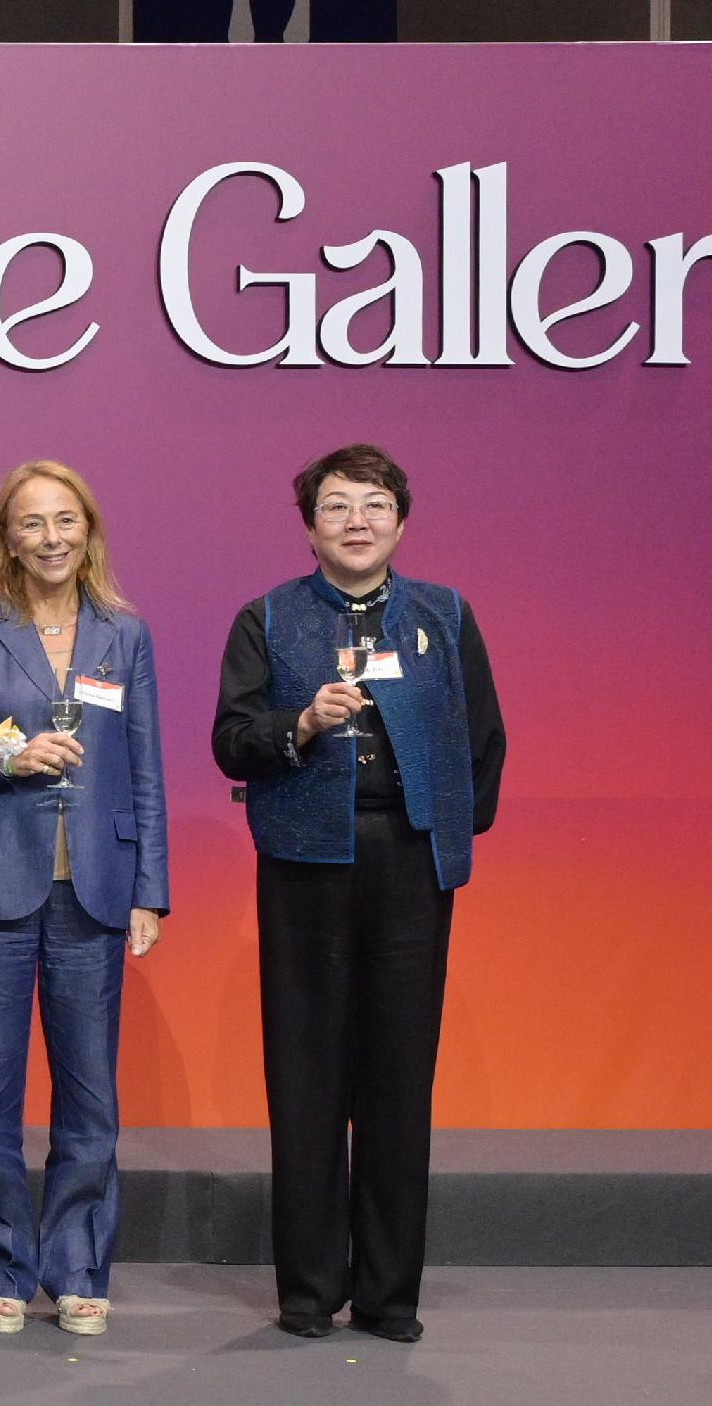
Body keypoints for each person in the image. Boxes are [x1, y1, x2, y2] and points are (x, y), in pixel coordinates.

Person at [213, 443, 503, 1345]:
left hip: (410, 863)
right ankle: (308, 1288)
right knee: (304, 1074)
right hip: (305, 863)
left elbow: (484, 741)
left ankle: (388, 1294)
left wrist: (444, 826)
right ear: (308, 527)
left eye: (374, 505)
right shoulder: (266, 617)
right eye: (336, 506)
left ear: (401, 521)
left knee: (397, 1076)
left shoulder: (444, 615)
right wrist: (298, 725)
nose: (357, 522)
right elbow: (231, 740)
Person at [0, 460, 167, 1338]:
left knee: (89, 1090)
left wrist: (152, 890)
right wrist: (5, 757)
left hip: (93, 891)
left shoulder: (124, 636)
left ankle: (77, 1264)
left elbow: (144, 769)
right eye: (33, 523)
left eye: (67, 520)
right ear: (8, 537)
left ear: (89, 531)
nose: (52, 537)